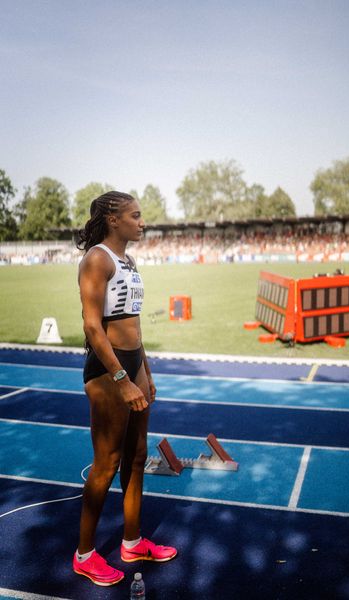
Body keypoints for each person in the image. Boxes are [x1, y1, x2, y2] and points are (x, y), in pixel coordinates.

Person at [73, 191, 177, 586]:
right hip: (106, 371)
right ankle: (84, 555)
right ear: (113, 219)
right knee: (106, 463)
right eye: (136, 215)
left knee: (136, 458)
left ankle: (132, 542)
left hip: (132, 367)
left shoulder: (128, 260)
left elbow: (133, 324)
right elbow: (93, 327)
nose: (143, 221)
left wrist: (144, 372)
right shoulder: (97, 259)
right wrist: (121, 378)